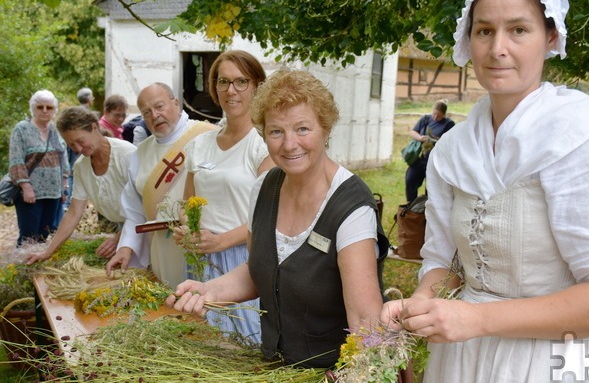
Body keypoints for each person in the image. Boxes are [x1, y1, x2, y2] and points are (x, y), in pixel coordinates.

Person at [381, 0, 589, 382]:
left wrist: (479, 318)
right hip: (461, 358)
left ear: (550, 37)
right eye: (484, 31)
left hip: (551, 360)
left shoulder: (582, 134)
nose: (498, 48)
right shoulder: (453, 149)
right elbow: (443, 263)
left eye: (518, 30)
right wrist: (420, 304)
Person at [167, 69, 389, 368]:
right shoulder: (264, 187)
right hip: (275, 365)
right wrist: (209, 291)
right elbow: (260, 270)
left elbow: (366, 323)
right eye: (276, 131)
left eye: (302, 129)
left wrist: (357, 374)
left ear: (326, 128)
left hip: (332, 372)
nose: (289, 144)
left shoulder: (351, 208)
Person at [172, 50, 275, 344]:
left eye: (241, 81)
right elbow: (186, 202)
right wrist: (189, 230)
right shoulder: (200, 144)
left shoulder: (264, 146)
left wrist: (221, 241)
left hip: (244, 260)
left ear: (257, 86)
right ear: (214, 87)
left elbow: (271, 218)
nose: (231, 90)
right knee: (205, 342)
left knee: (243, 344)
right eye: (223, 81)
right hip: (201, 257)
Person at [106, 83, 216, 289]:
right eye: (146, 112)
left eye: (159, 106)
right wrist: (126, 247)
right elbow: (134, 210)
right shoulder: (141, 152)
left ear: (175, 103)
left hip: (204, 242)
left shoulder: (208, 136)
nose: (154, 115)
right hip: (160, 248)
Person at [24, 106, 136, 265]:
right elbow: (74, 212)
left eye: (80, 141)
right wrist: (48, 252)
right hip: (124, 226)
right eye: (71, 145)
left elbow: (145, 205)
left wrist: (121, 237)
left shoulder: (127, 154)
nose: (77, 149)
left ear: (94, 127)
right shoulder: (81, 167)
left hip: (143, 226)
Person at [8, 90, 69, 247]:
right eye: (40, 106)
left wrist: (64, 187)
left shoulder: (56, 130)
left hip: (54, 192)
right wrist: (25, 186)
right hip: (31, 193)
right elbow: (16, 160)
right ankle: (21, 268)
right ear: (32, 107)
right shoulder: (22, 129)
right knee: (28, 235)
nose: (44, 110)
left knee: (45, 233)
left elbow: (64, 159)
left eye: (48, 107)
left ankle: (38, 266)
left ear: (54, 110)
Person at [404, 100, 454, 202]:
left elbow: (452, 142)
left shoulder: (449, 124)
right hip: (419, 159)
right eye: (434, 114)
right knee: (410, 180)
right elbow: (413, 132)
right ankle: (411, 206)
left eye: (439, 116)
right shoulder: (425, 119)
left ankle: (426, 209)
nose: (435, 117)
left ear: (444, 115)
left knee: (430, 188)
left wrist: (437, 140)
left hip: (435, 161)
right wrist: (420, 138)